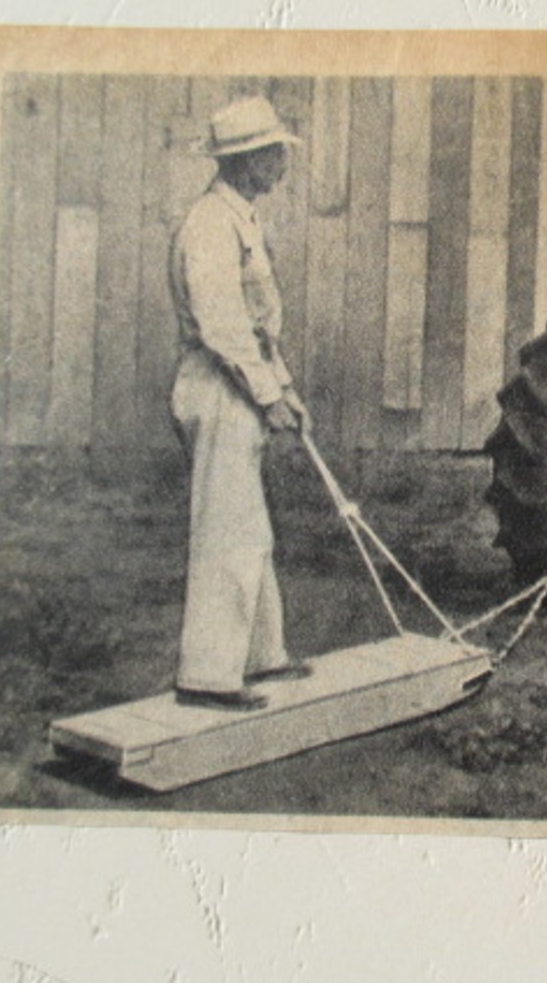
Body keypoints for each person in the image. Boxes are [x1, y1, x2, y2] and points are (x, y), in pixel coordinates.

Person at [168, 96, 313, 711]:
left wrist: (285, 389)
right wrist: (266, 392)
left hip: (242, 386)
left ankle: (261, 658)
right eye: (273, 152)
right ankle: (207, 676)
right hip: (217, 387)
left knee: (250, 530)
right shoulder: (208, 224)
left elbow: (258, 327)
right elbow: (222, 324)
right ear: (245, 160)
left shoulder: (242, 218)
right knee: (229, 532)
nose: (283, 161)